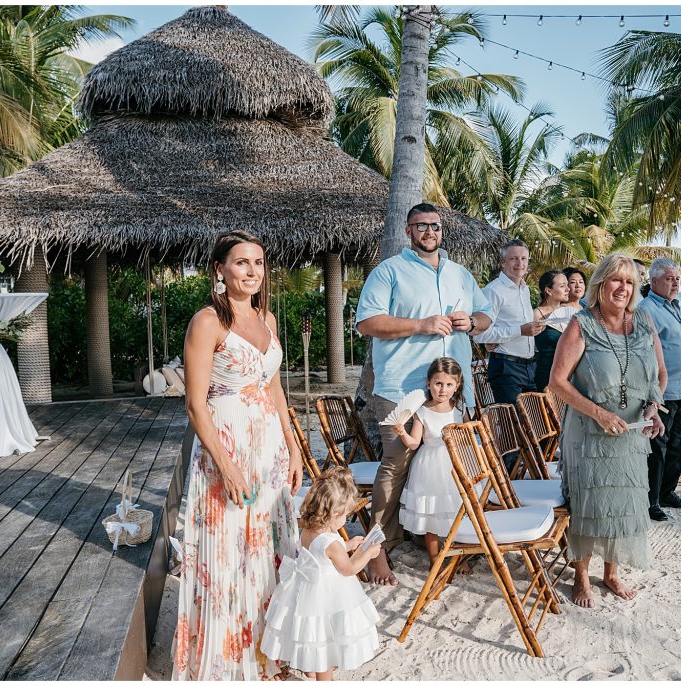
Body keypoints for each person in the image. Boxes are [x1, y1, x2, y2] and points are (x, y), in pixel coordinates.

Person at [175, 230, 303, 680]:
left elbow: (273, 386)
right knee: (230, 552)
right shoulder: (207, 322)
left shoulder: (266, 317)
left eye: (259, 263)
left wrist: (293, 444)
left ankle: (270, 651)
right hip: (226, 447)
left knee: (268, 545)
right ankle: (231, 660)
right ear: (220, 270)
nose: (252, 271)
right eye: (242, 263)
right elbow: (194, 404)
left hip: (268, 446)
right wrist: (226, 466)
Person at [355, 202, 493, 586]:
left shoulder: (460, 274)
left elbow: (485, 316)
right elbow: (367, 322)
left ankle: (440, 538)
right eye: (421, 226)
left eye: (434, 225)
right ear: (408, 231)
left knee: (448, 467)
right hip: (403, 389)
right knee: (397, 466)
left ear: (442, 230)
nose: (429, 231)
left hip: (452, 389)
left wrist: (473, 322)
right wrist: (421, 324)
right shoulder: (389, 271)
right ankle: (375, 549)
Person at [549, 254, 668, 609]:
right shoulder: (581, 324)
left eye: (630, 282)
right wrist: (599, 414)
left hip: (632, 432)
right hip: (588, 433)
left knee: (622, 504)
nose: (623, 288)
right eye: (616, 280)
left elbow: (660, 374)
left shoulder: (644, 321)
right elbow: (556, 382)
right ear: (601, 284)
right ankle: (581, 576)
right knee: (589, 503)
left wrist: (653, 407)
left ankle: (611, 573)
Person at [263, 468, 381, 681]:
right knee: (325, 640)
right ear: (334, 515)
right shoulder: (332, 541)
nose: (346, 518)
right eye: (345, 515)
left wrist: (348, 544)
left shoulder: (310, 529)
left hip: (307, 591)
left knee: (312, 633)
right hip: (327, 594)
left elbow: (322, 552)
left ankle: (310, 667)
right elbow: (348, 569)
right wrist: (368, 554)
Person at [636, 257, 681, 522]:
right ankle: (651, 501)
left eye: (677, 278)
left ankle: (667, 492)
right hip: (664, 392)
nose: (675, 283)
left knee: (676, 445)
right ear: (654, 281)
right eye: (669, 279)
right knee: (658, 448)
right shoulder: (647, 309)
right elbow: (646, 353)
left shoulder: (674, 307)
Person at [394, 357, 471, 574]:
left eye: (448, 385)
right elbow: (414, 443)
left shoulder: (459, 409)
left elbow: (466, 438)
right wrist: (402, 433)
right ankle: (434, 559)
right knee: (431, 515)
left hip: (454, 465)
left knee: (456, 512)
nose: (443, 389)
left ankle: (458, 557)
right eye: (438, 383)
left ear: (457, 385)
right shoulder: (422, 410)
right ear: (429, 383)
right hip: (428, 467)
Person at [473, 239, 546, 404]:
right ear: (503, 263)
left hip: (530, 366)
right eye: (513, 258)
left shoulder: (525, 289)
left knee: (533, 424)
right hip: (506, 368)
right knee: (512, 426)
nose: (519, 263)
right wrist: (520, 330)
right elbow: (479, 334)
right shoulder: (493, 291)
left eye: (524, 258)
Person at [532, 270, 573, 392]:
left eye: (567, 285)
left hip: (568, 372)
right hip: (545, 373)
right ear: (548, 290)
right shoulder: (536, 314)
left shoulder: (569, 312)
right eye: (562, 286)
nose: (568, 289)